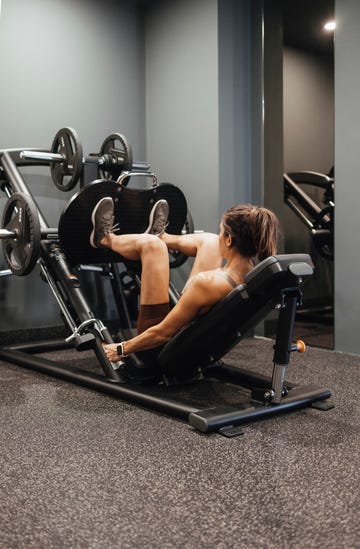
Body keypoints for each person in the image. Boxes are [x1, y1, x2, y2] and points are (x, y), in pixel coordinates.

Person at [89, 197, 280, 363]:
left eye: (222, 231)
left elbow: (162, 333)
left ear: (229, 240)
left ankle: (105, 238)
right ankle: (161, 235)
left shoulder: (206, 282)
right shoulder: (256, 275)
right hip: (200, 342)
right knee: (210, 241)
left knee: (152, 246)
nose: (220, 235)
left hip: (162, 347)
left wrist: (121, 348)